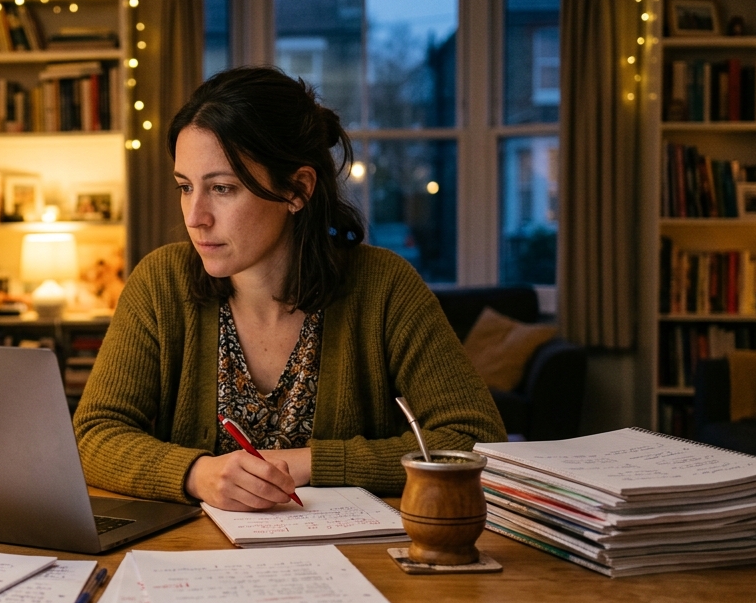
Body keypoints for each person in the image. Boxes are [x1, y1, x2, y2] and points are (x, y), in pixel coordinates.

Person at [73, 66, 504, 512]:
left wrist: (309, 463)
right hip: (195, 562)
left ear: (297, 189)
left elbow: (477, 441)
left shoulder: (384, 288)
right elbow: (95, 433)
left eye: (222, 188)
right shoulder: (161, 284)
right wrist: (198, 473)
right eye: (186, 187)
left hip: (359, 564)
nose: (195, 216)